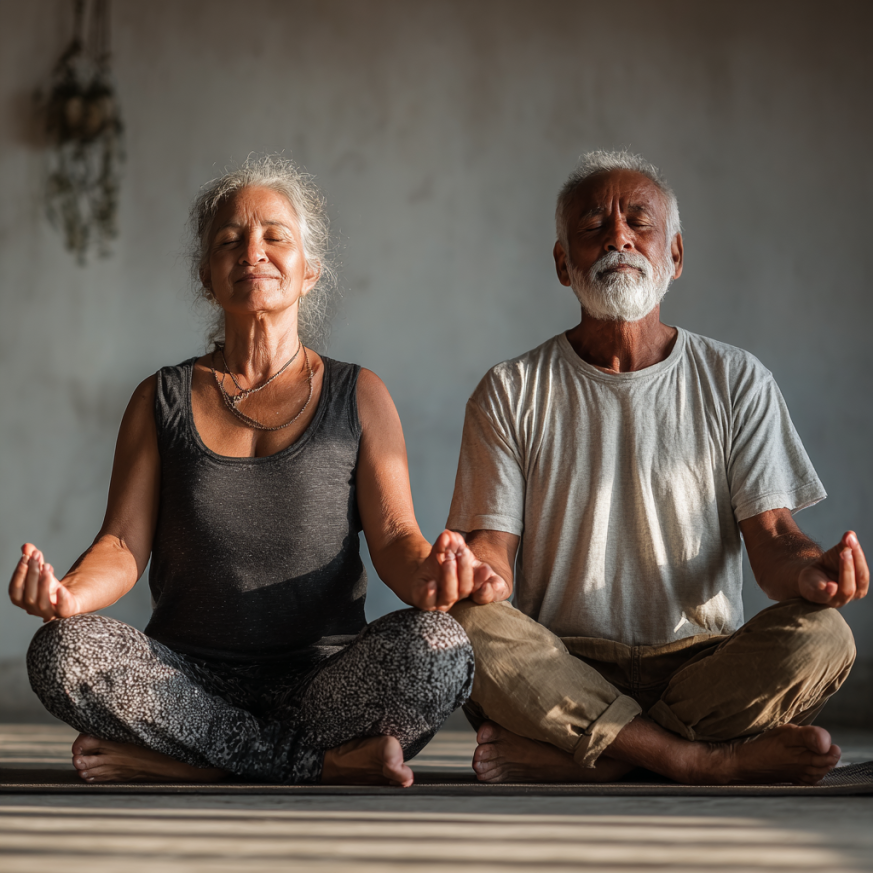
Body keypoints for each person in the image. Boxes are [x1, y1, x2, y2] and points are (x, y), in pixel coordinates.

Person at [9, 155, 503, 787]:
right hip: (185, 684)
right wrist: (71, 595)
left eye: (276, 236)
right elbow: (122, 544)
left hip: (327, 685)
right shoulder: (160, 398)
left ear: (309, 271)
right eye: (229, 240)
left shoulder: (359, 395)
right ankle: (311, 765)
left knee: (441, 649)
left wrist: (432, 578)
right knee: (62, 651)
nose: (253, 252)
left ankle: (192, 764)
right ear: (207, 275)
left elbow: (397, 539)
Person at [446, 150, 869, 786]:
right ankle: (694, 759)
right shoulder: (511, 389)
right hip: (562, 665)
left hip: (703, 668)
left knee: (825, 636)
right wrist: (474, 574)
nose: (617, 237)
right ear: (563, 264)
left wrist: (812, 572)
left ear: (674, 255)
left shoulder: (737, 380)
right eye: (593, 225)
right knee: (464, 627)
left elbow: (774, 539)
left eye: (638, 222)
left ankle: (600, 758)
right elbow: (493, 552)